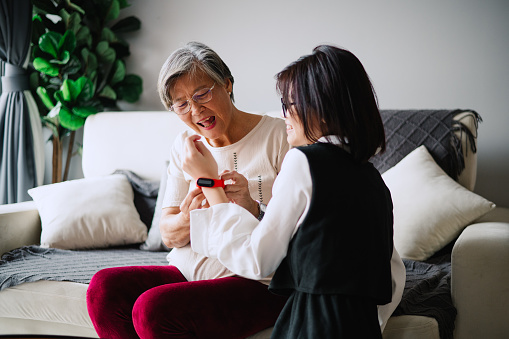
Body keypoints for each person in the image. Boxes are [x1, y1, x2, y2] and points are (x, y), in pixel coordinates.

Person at [182, 45, 406, 338]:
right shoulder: (373, 180)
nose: (283, 114)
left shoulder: (303, 161)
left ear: (321, 108)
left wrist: (209, 182)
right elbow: (388, 276)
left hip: (313, 324)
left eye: (288, 104)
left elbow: (257, 259)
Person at [86, 41, 290, 338]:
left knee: (153, 309)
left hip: (255, 279)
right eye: (181, 104)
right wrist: (187, 216)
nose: (195, 110)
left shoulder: (279, 136)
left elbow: (298, 231)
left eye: (202, 94)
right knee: (104, 288)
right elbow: (168, 234)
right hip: (189, 270)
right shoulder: (186, 148)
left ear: (227, 84)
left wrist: (246, 205)